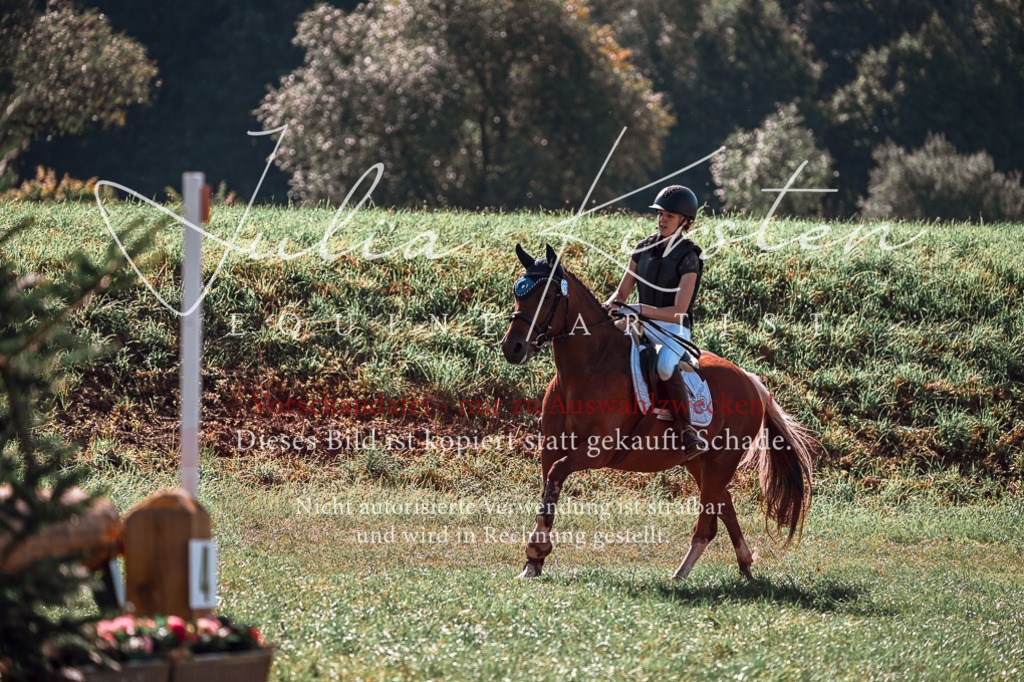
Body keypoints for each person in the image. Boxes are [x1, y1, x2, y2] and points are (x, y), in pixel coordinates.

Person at [603, 185, 706, 459]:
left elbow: (679, 311)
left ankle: (686, 430)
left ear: (685, 221)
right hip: (640, 323)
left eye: (670, 215)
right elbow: (621, 293)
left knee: (663, 366)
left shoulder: (690, 257)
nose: (662, 219)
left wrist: (639, 309)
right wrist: (608, 306)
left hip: (673, 328)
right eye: (660, 214)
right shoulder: (642, 248)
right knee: (602, 346)